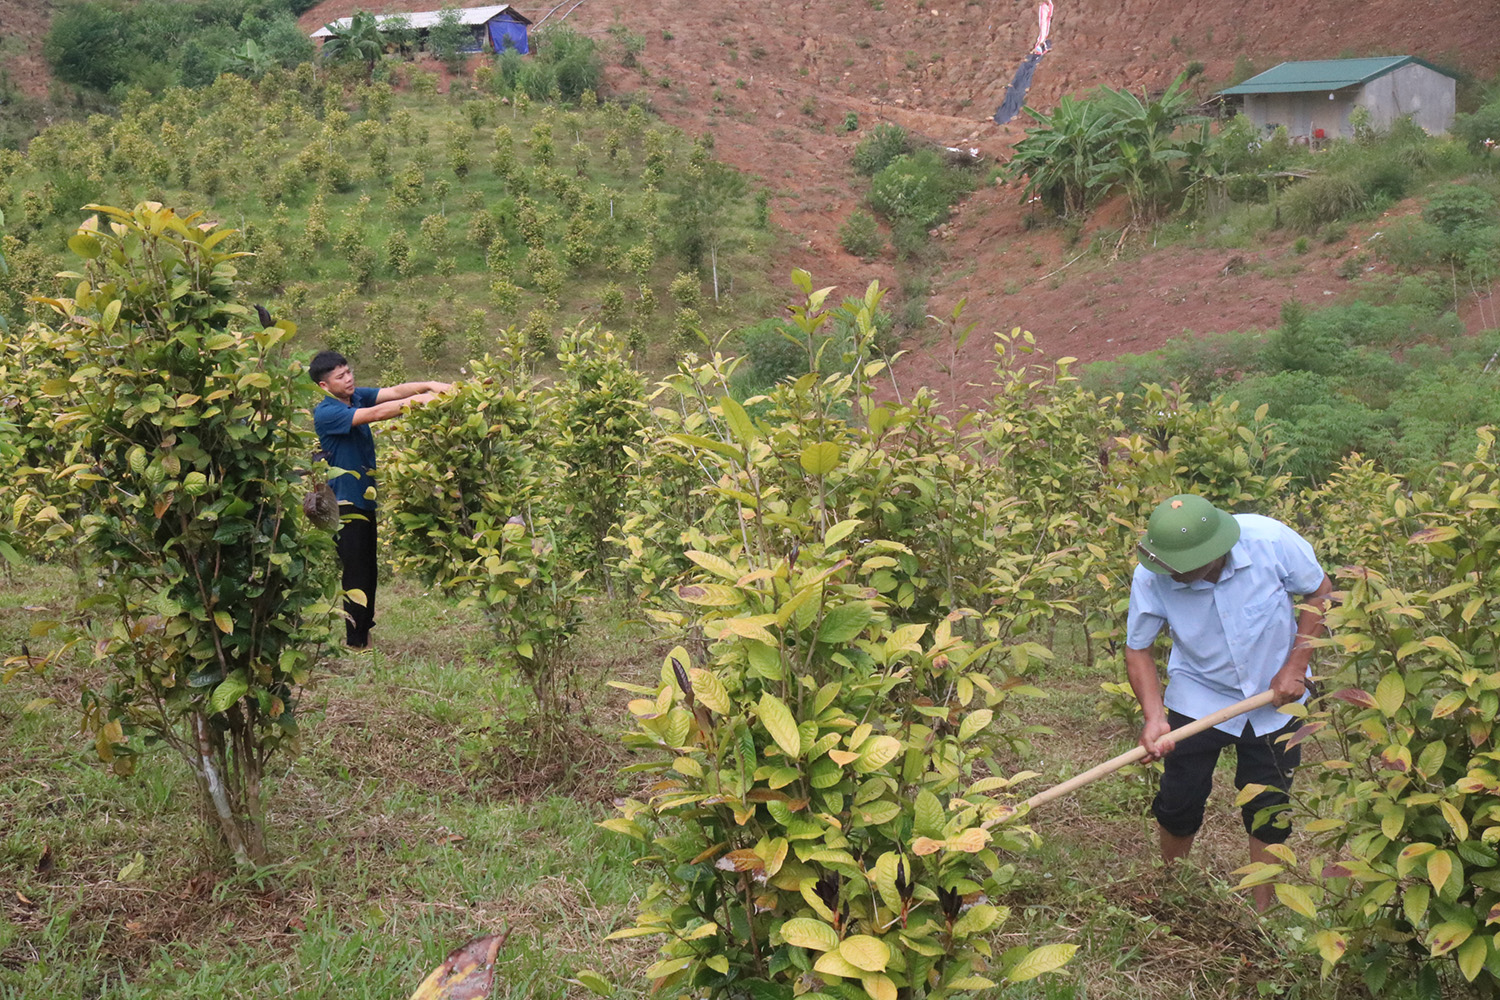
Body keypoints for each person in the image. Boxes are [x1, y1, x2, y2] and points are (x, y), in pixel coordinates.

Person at [1125, 493, 1332, 912]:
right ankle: (1171, 889)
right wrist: (1153, 717)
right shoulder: (1152, 574)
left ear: (1214, 553)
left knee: (1269, 804)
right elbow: (1138, 648)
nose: (1172, 575)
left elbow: (1320, 592)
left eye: (1183, 570)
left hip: (1275, 695)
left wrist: (1296, 665)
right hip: (1199, 693)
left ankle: (1264, 912)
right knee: (1180, 796)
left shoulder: (1270, 540)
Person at [309, 350, 452, 649]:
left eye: (348, 372)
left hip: (363, 499)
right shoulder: (327, 412)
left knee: (368, 569)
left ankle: (364, 632)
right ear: (324, 386)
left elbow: (395, 392)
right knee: (356, 572)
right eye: (340, 377)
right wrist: (423, 401)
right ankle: (355, 640)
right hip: (345, 503)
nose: (349, 379)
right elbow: (378, 413)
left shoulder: (355, 397)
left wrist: (429, 384)